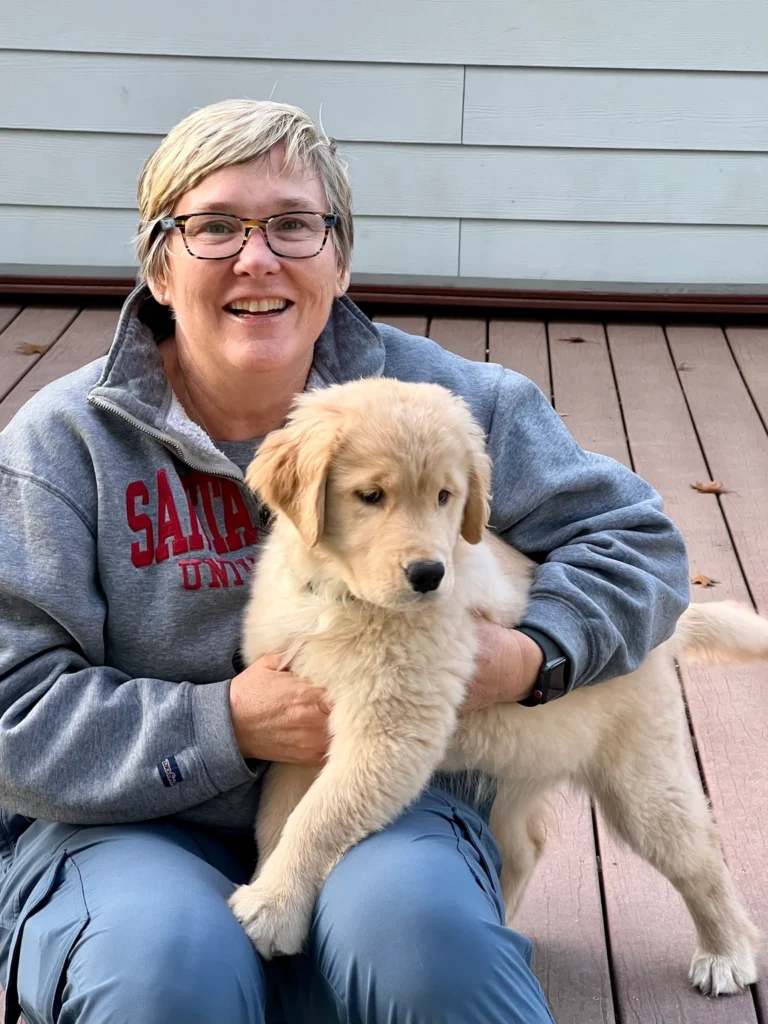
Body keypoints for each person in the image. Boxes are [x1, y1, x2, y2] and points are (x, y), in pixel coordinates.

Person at [0, 99, 689, 1024]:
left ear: (341, 258)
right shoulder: (60, 448)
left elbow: (638, 544)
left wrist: (533, 655)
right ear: (159, 267)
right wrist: (226, 724)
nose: (258, 257)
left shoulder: (450, 406)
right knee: (165, 976)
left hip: (385, 798)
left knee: (425, 950)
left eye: (294, 224)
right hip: (126, 824)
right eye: (214, 228)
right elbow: (13, 714)